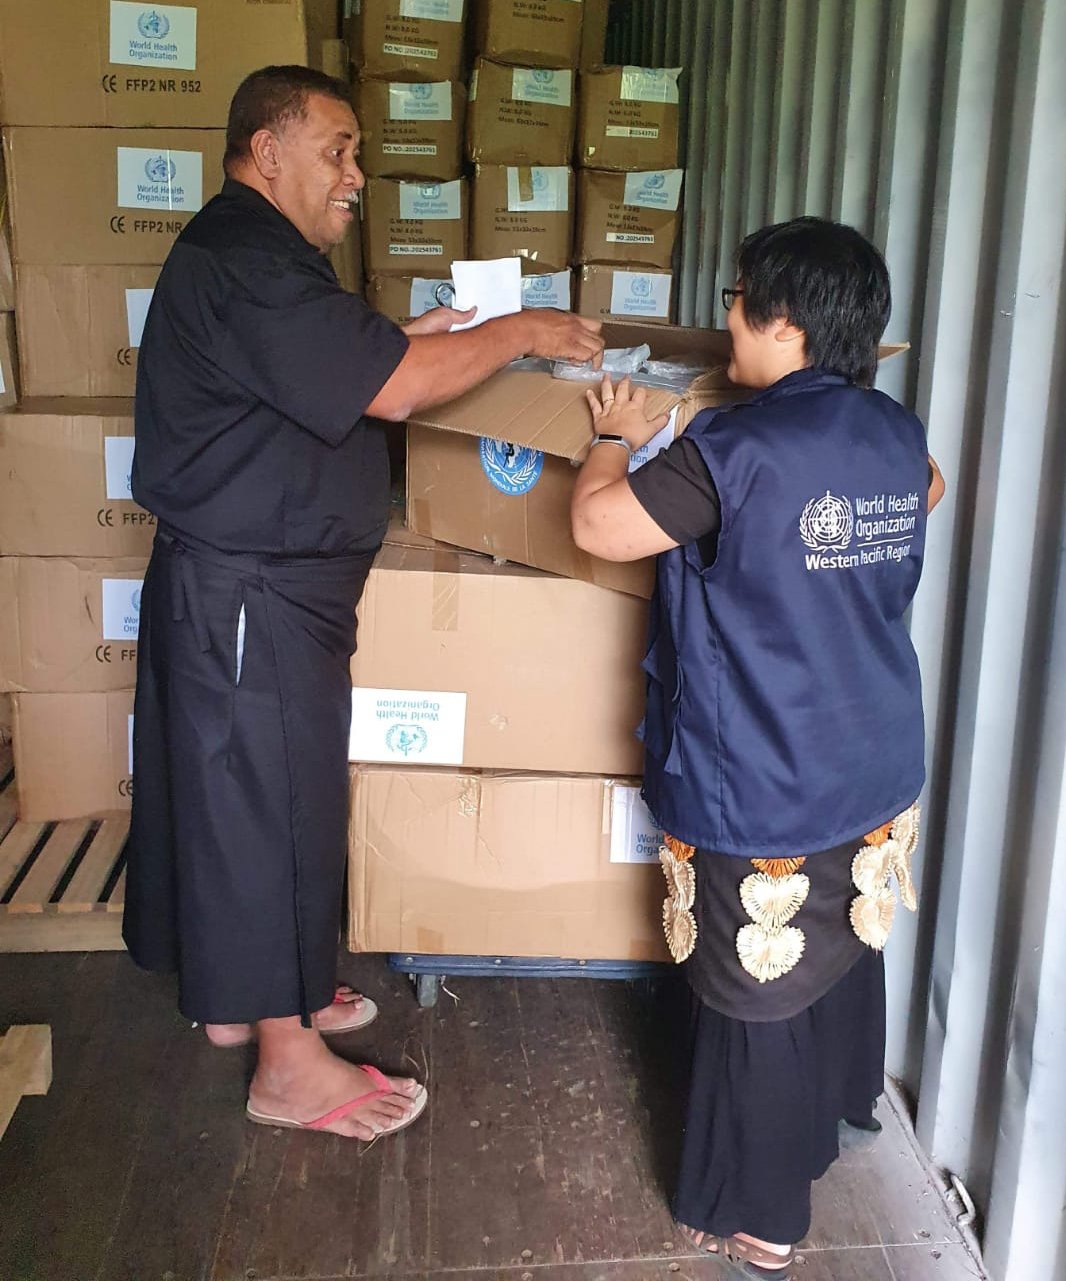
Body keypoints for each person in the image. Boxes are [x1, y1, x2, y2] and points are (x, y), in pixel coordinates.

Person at [123, 65, 603, 1143]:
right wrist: (519, 331)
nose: (356, 175)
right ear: (267, 151)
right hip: (253, 590)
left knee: (239, 801)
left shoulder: (258, 256)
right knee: (269, 811)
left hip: (251, 583)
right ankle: (288, 1063)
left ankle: (246, 999)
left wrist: (414, 337)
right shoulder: (249, 260)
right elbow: (391, 388)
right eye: (337, 150)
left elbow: (342, 366)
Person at [571, 217, 944, 1277]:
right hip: (872, 752)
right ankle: (843, 1105)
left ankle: (764, 1211)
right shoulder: (892, 428)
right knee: (846, 936)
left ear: (785, 323)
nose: (728, 318)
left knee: (757, 981)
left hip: (767, 775)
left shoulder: (733, 453)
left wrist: (614, 435)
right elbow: (929, 489)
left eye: (736, 300)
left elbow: (598, 527)